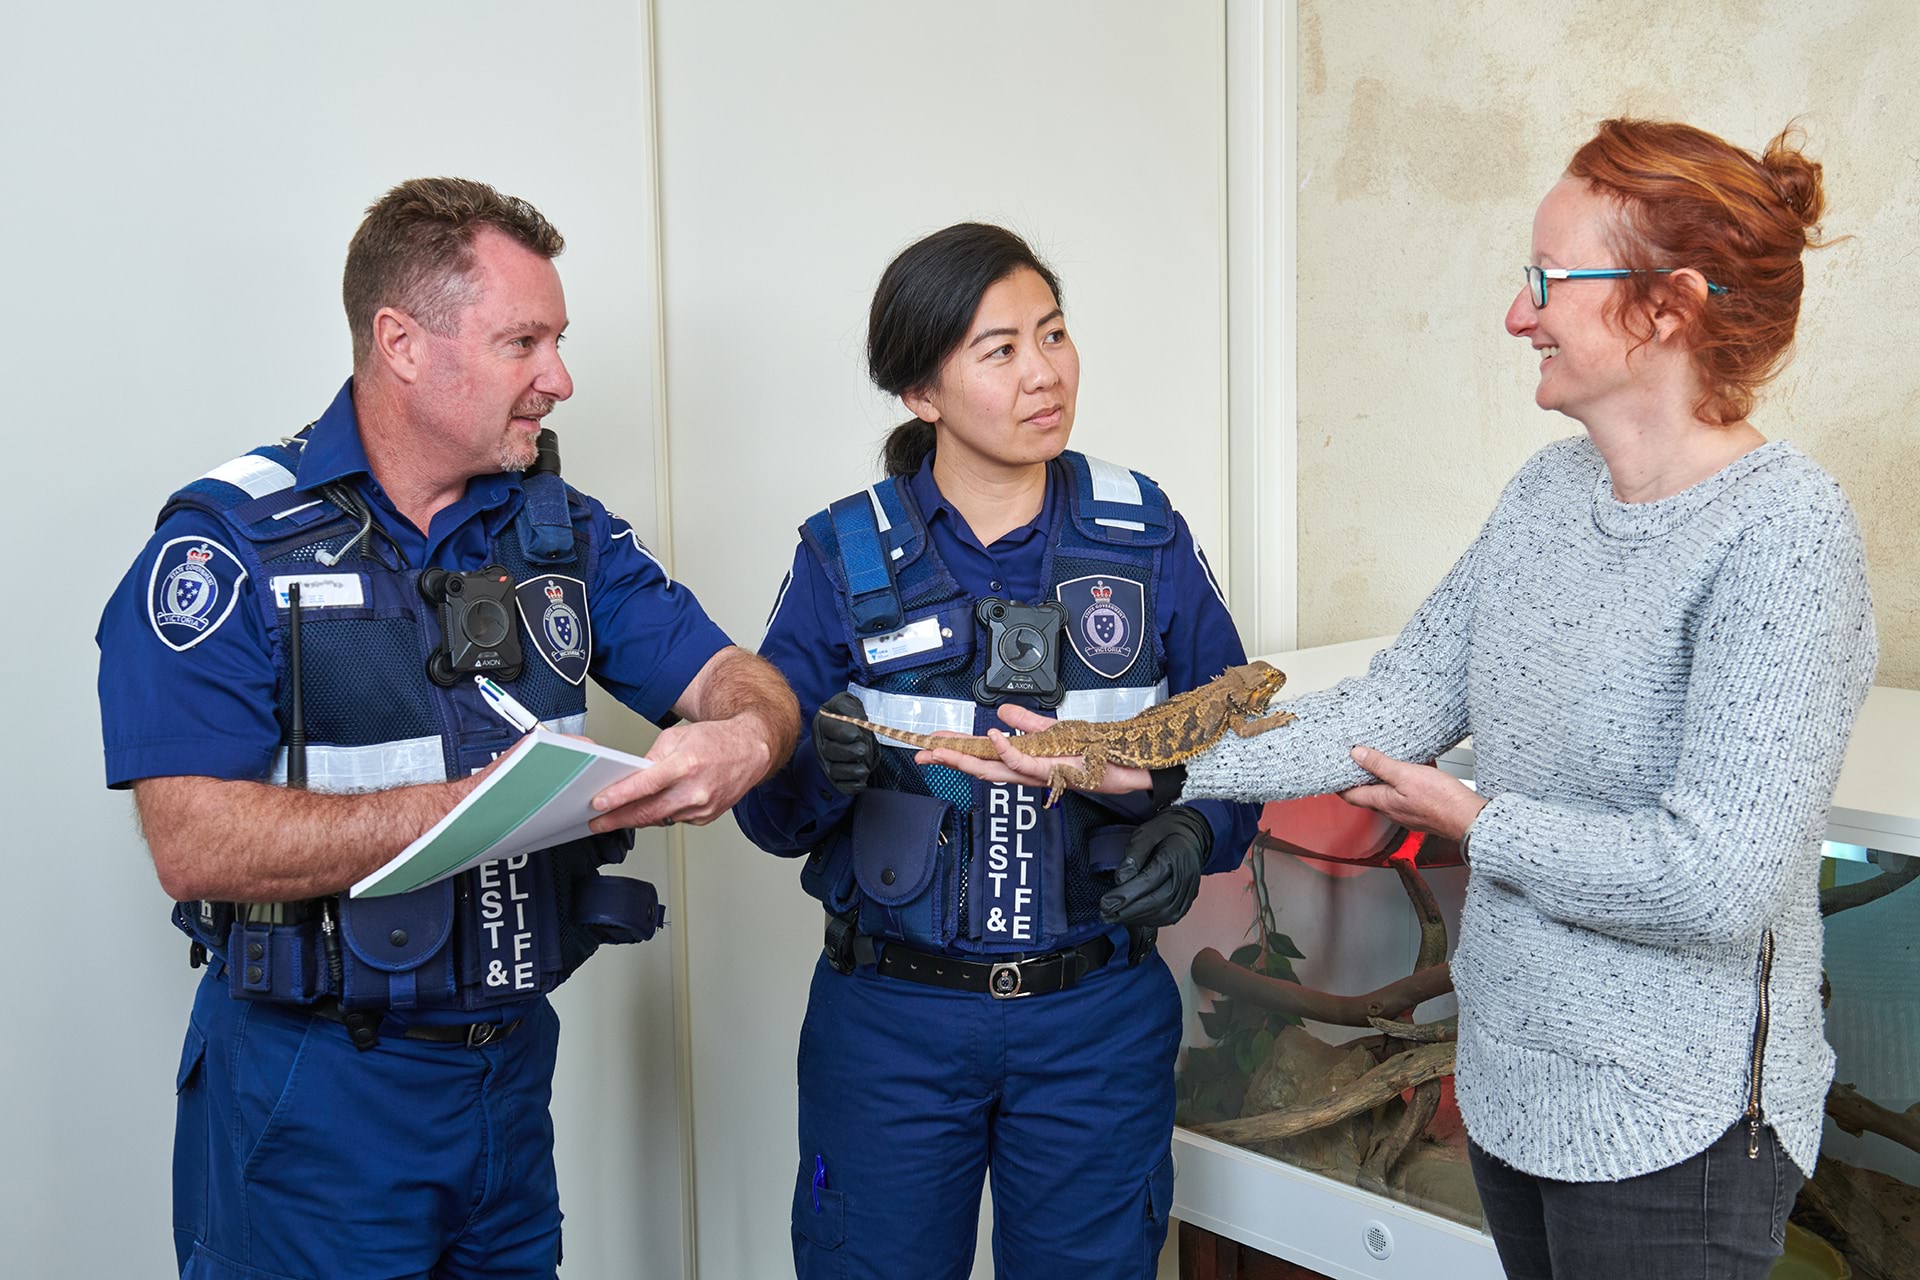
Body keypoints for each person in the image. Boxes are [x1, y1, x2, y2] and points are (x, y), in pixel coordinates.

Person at [925, 121, 1878, 1278]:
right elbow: (1384, 705)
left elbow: (1719, 879)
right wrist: (1142, 760)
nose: (1517, 315)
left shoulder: (1785, 535)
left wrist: (1482, 823)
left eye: (1546, 281)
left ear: (1666, 307)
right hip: (1516, 1091)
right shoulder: (1546, 495)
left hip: (1682, 1127)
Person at [96, 177, 799, 1280]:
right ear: (403, 343)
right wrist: (481, 807)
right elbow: (193, 840)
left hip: (507, 1077)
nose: (559, 379)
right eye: (524, 341)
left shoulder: (560, 533)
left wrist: (747, 736)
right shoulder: (229, 546)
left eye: (558, 341)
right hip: (315, 1088)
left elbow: (732, 674)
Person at [733, 222, 1261, 1279]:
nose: (1045, 373)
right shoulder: (844, 551)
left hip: (1094, 1021)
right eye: (1001, 349)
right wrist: (811, 770)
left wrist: (1192, 822)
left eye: (1054, 334)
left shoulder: (1142, 533)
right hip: (891, 1023)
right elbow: (763, 806)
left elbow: (1235, 735)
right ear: (920, 392)